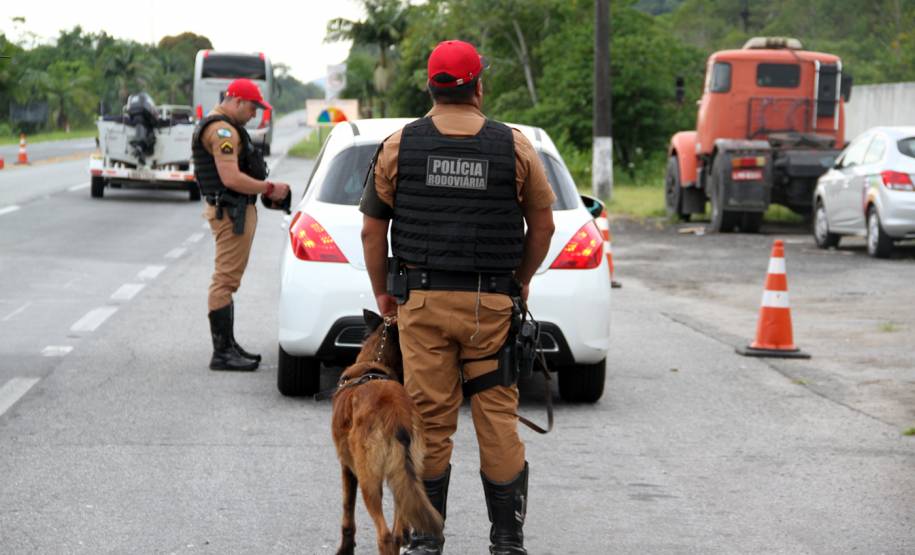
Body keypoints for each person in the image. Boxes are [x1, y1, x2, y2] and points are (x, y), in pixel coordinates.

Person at [360, 40, 556, 555]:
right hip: (490, 306)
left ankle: (426, 539)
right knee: (496, 416)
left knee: (428, 418)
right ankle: (508, 539)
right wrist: (521, 278)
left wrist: (383, 292)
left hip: (421, 304)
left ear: (431, 86)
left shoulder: (399, 145)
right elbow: (543, 225)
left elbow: (371, 229)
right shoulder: (514, 146)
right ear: (478, 86)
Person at [192, 78, 290, 372]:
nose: (254, 114)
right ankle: (222, 352)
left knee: (229, 279)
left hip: (233, 210)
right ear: (236, 101)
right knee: (225, 280)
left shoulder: (225, 127)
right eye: (252, 107)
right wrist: (269, 187)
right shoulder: (222, 130)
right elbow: (231, 178)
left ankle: (228, 345)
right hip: (230, 213)